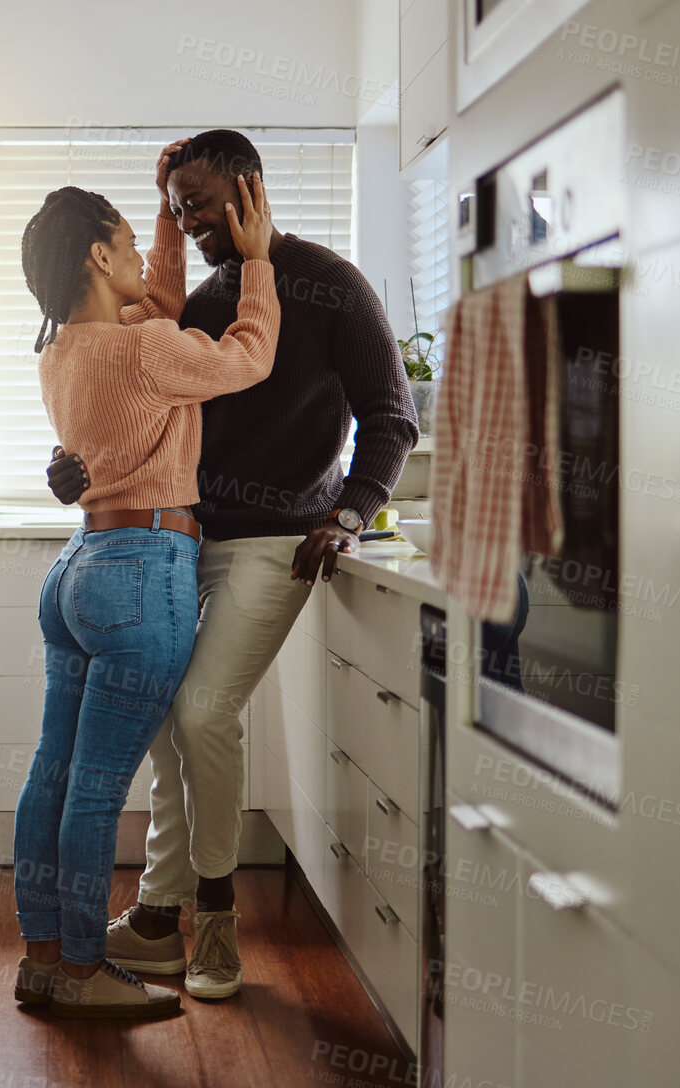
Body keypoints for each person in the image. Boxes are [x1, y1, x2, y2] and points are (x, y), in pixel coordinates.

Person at [47, 130, 418, 1000]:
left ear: (248, 191)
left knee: (204, 710)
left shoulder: (331, 285)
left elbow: (392, 416)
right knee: (170, 721)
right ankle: (155, 919)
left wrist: (351, 513)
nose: (188, 221)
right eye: (176, 209)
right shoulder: (205, 298)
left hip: (278, 545)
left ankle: (215, 922)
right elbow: (133, 396)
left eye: (201, 204)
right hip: (183, 540)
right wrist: (77, 463)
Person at [11, 148, 281, 1019]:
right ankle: (86, 971)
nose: (141, 257)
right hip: (145, 570)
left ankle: (44, 957)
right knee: (95, 789)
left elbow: (153, 302)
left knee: (51, 775)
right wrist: (262, 262)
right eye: (128, 240)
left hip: (76, 572)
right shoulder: (148, 352)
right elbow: (248, 358)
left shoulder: (63, 352)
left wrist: (167, 219)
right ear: (96, 257)